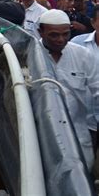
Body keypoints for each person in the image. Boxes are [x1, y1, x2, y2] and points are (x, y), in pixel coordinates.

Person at [38, 9, 99, 170]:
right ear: (40, 32)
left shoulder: (82, 55)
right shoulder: (30, 55)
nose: (61, 40)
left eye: (65, 34)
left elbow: (97, 88)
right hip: (41, 134)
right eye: (54, 35)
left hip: (78, 135)